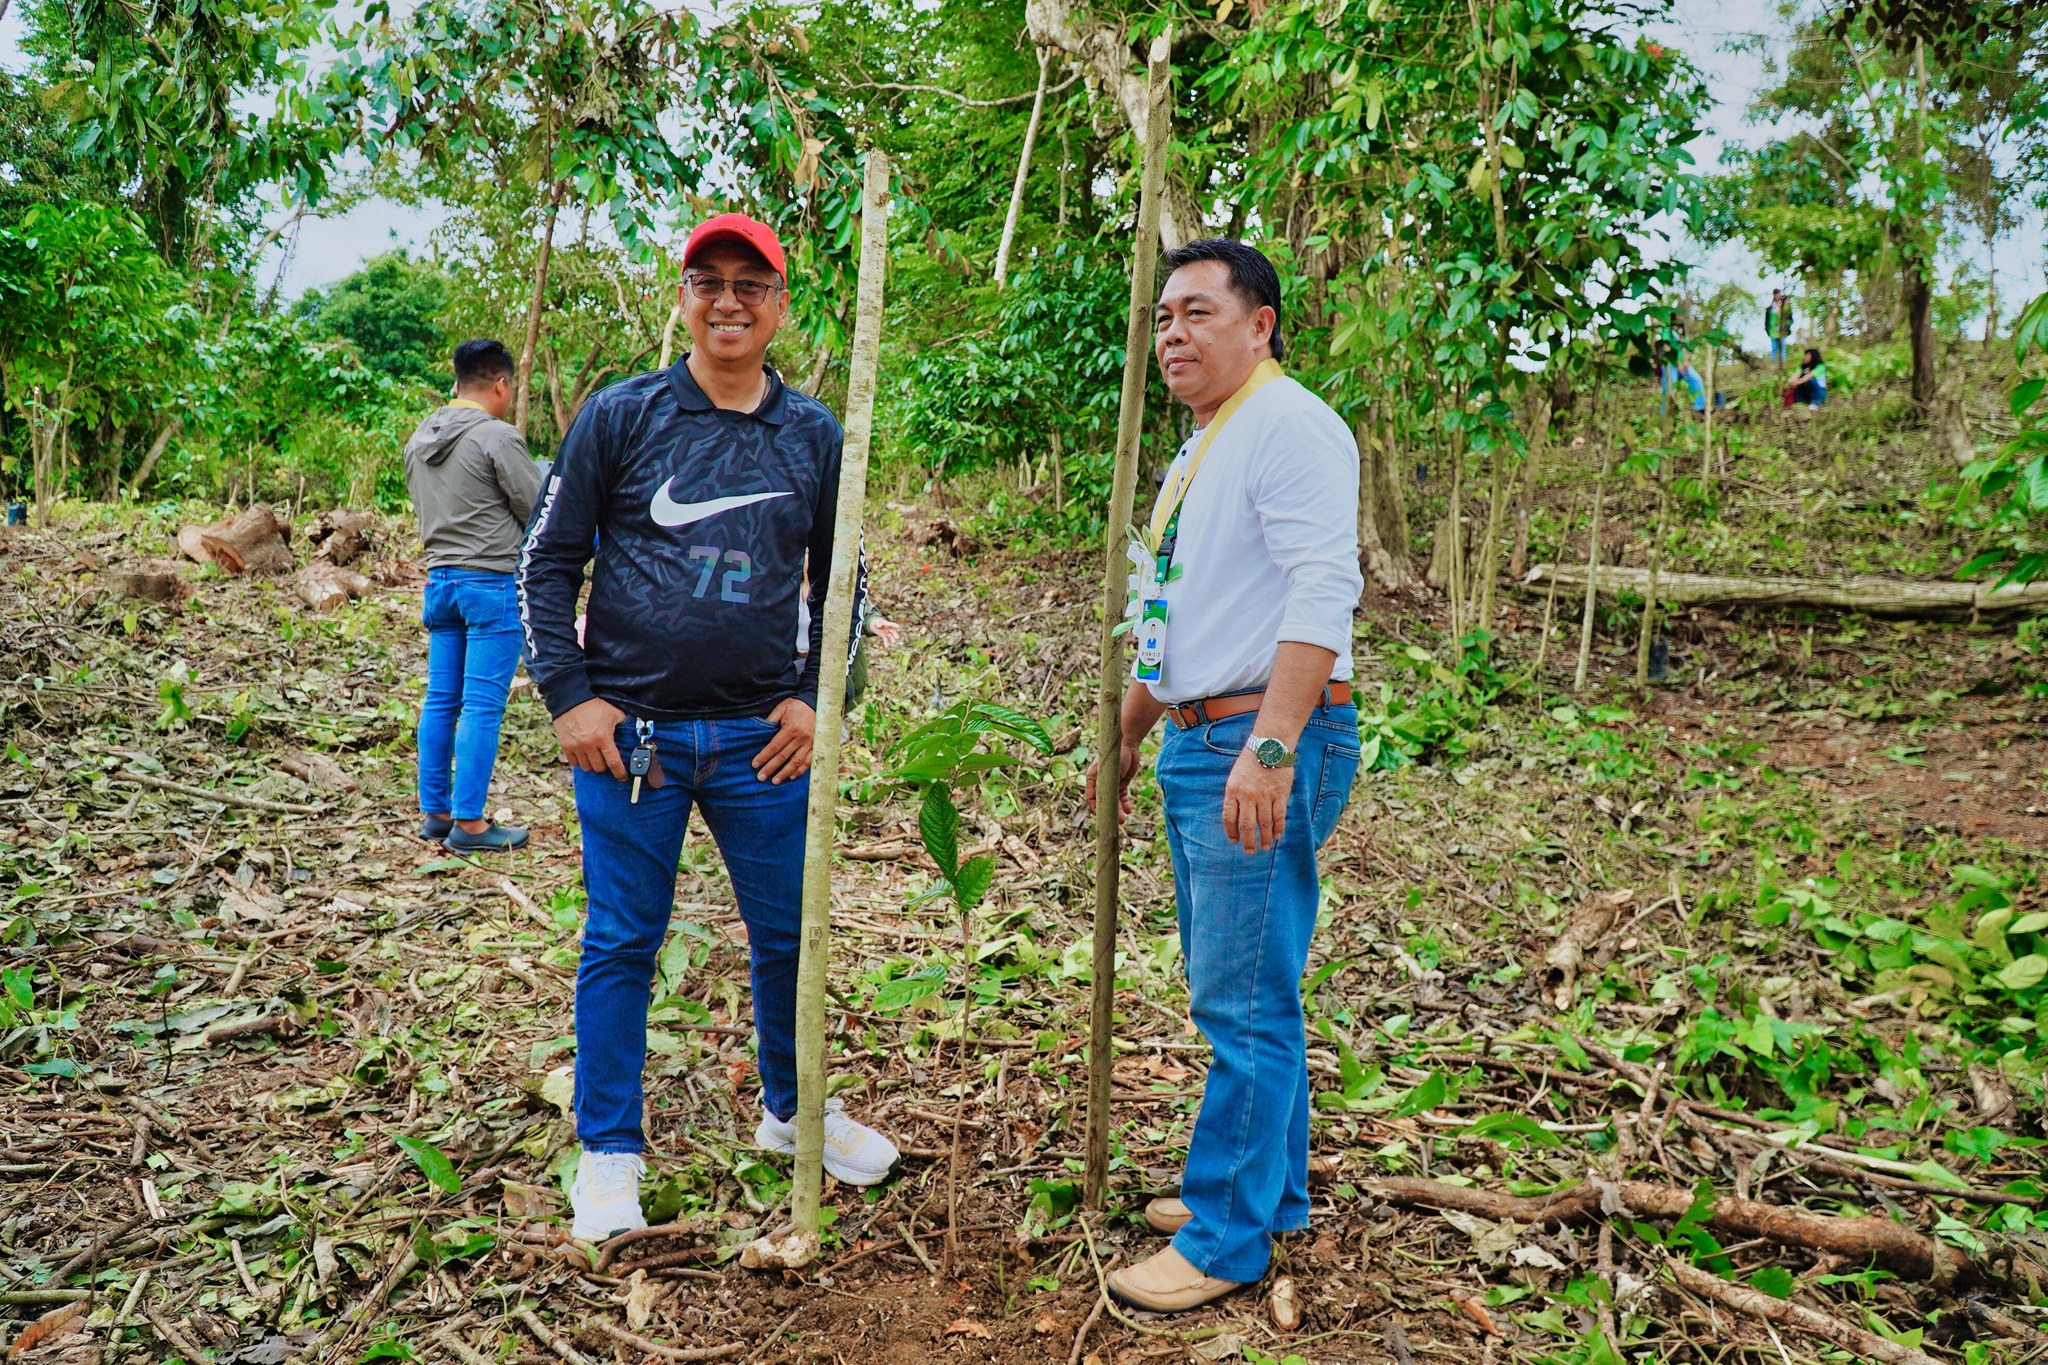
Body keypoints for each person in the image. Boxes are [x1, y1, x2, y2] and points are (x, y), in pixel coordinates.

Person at [518, 212, 900, 1243]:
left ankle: (792, 1111)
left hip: (757, 741)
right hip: (627, 740)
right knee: (621, 941)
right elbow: (545, 561)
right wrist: (568, 695)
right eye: (708, 281)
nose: (728, 301)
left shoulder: (812, 434)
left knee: (787, 935)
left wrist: (817, 698)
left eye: (749, 284)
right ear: (683, 297)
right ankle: (609, 1151)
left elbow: (846, 581)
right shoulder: (623, 414)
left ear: (779, 304)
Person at [1087, 239, 1364, 1313]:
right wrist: (1127, 734)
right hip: (1201, 736)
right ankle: (1270, 1193)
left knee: (1239, 1000)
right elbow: (1177, 616)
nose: (1173, 335)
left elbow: (1321, 589)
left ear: (1260, 324)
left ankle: (1227, 1237)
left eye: (1197, 312)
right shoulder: (1206, 445)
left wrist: (1272, 746)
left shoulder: (1290, 424)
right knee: (1251, 985)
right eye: (1163, 318)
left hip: (1257, 738)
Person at [404, 338, 545, 853]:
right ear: (501, 385)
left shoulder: (419, 438)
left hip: (440, 582)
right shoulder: (496, 436)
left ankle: (436, 813)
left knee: (442, 700)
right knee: (482, 706)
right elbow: (538, 510)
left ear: (457, 382)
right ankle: (470, 823)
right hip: (490, 585)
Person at [1765, 289, 1793, 366]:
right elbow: (1767, 321)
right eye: (1777, 294)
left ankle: (1783, 364)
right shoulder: (1770, 308)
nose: (1779, 296)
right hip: (1773, 331)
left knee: (1782, 348)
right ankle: (1773, 364)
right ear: (1774, 295)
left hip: (1782, 331)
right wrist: (1767, 330)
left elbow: (1789, 318)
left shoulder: (1785, 307)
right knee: (1774, 348)